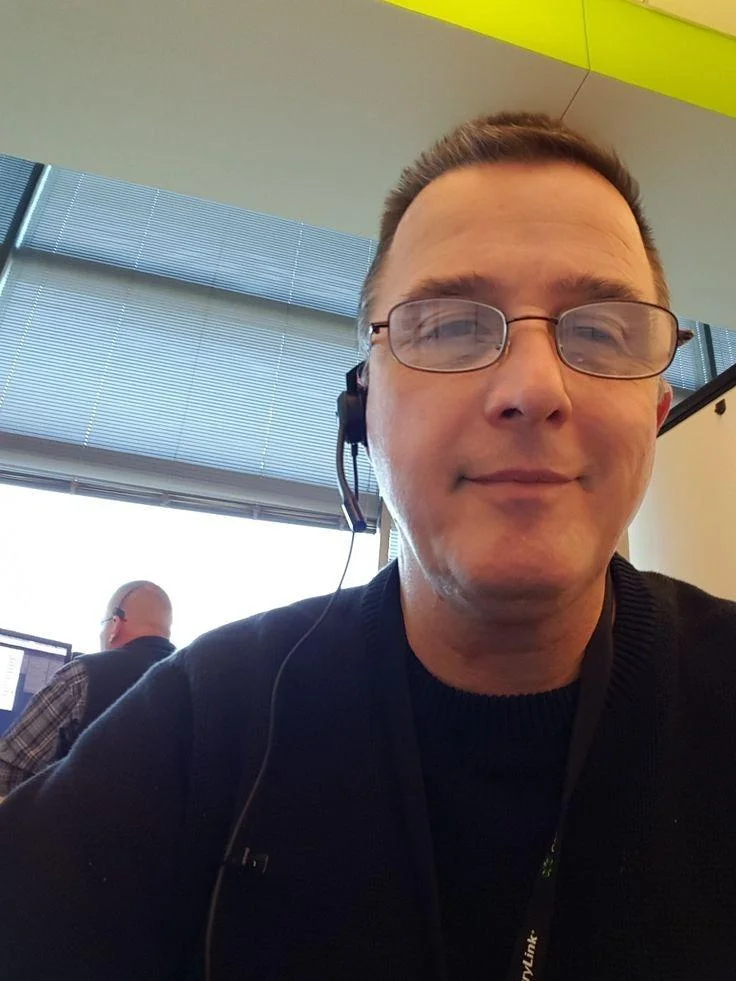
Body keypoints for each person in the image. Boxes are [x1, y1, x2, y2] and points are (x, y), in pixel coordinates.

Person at [1, 112, 735, 981]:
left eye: (601, 329)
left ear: (655, 412)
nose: (534, 388)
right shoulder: (204, 724)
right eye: (453, 325)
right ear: (367, 410)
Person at [0, 580, 174, 796]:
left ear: (115, 624)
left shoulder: (82, 676)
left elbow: (8, 773)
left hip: (70, 826)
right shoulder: (190, 686)